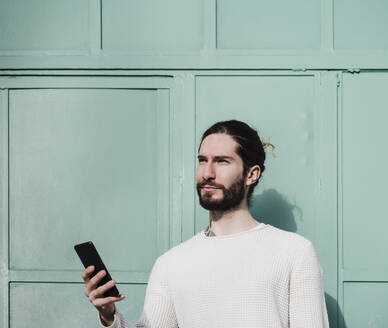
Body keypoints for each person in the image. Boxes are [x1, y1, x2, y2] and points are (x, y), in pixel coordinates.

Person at [82, 120, 330, 327]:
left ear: (251, 174)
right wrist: (109, 316)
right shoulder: (171, 263)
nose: (207, 173)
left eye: (222, 161)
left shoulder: (294, 252)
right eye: (202, 160)